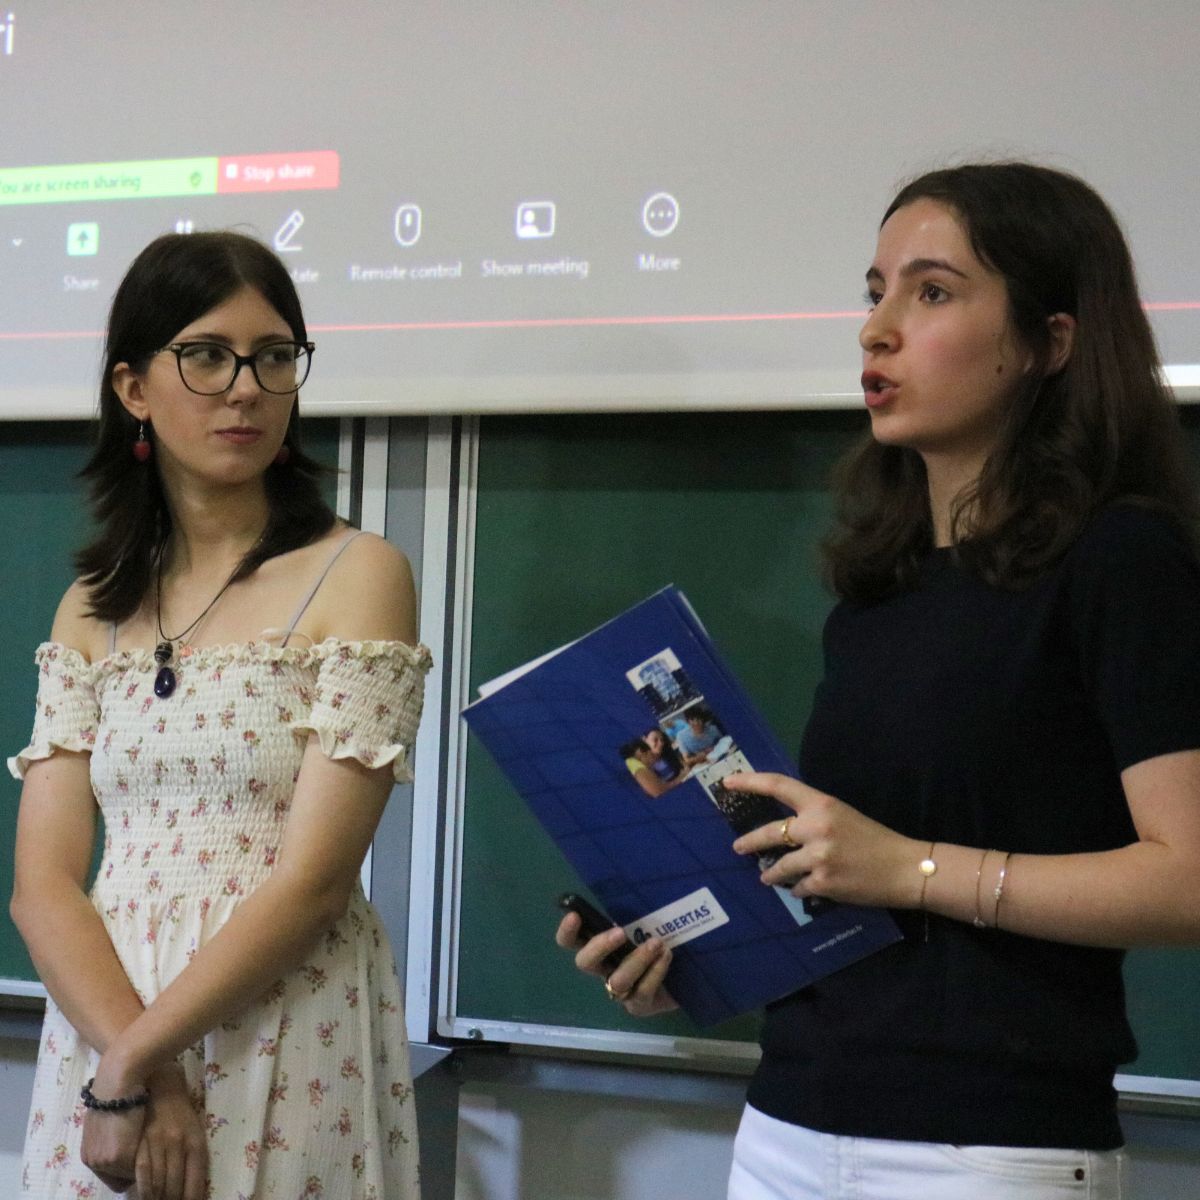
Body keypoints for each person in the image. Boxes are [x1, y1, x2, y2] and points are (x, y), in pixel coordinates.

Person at [557, 162, 1200, 1199]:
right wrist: (687, 959)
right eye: (874, 292)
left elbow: (1188, 879)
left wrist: (914, 869)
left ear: (1050, 343)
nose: (876, 329)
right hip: (787, 1126)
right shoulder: (880, 590)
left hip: (989, 1148)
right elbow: (852, 897)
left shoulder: (1122, 561)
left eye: (932, 292)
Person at [8, 231, 430, 1199]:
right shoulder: (90, 608)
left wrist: (134, 1061)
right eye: (206, 356)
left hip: (284, 1021)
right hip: (111, 1018)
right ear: (133, 388)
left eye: (273, 356)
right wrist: (136, 1065)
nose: (246, 389)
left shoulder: (358, 574)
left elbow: (314, 883)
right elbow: (43, 885)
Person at [620, 737, 689, 798]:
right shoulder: (636, 766)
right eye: (651, 755)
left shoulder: (634, 764)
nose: (652, 761)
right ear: (640, 752)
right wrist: (681, 777)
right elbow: (660, 792)